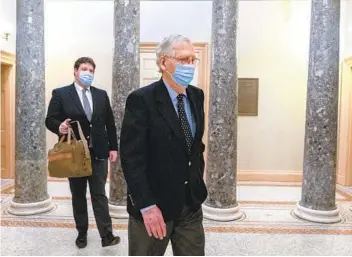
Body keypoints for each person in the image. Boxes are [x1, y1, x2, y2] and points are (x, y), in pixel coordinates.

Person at [120, 34, 208, 256]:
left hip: (190, 204)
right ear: (163, 63)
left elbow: (195, 146)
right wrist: (147, 206)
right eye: (182, 60)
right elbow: (132, 159)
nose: (189, 66)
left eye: (192, 60)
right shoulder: (141, 100)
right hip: (154, 207)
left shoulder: (196, 96)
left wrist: (197, 177)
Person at [45, 57, 120, 249]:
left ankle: (107, 234)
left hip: (98, 152)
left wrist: (113, 147)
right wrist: (59, 126)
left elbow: (109, 123)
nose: (88, 73)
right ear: (75, 71)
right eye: (84, 69)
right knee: (78, 195)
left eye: (91, 70)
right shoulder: (61, 93)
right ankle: (82, 233)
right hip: (75, 154)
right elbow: (50, 119)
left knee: (99, 194)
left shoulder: (101, 95)